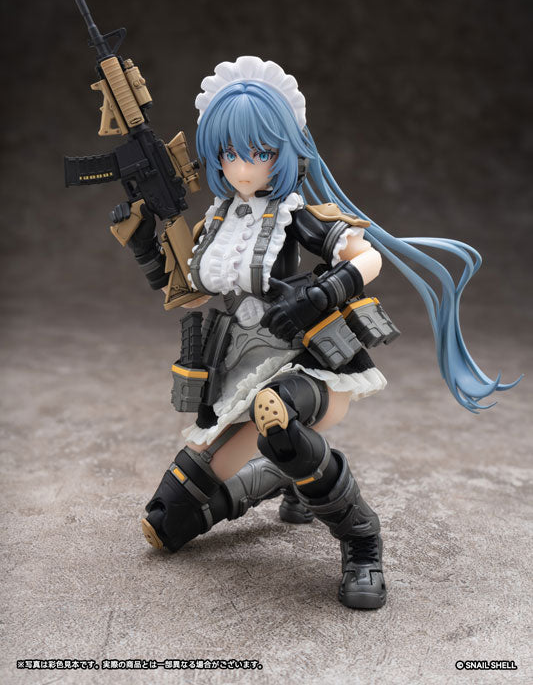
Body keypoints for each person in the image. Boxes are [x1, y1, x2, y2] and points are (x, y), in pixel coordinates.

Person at [122, 56, 518, 610]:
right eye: (230, 152)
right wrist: (144, 242)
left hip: (305, 364)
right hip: (238, 368)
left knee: (277, 421)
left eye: (259, 152)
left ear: (284, 150)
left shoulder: (294, 213)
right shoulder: (216, 221)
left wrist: (318, 295)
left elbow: (367, 258)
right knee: (169, 517)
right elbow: (189, 289)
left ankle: (362, 539)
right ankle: (285, 480)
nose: (243, 166)